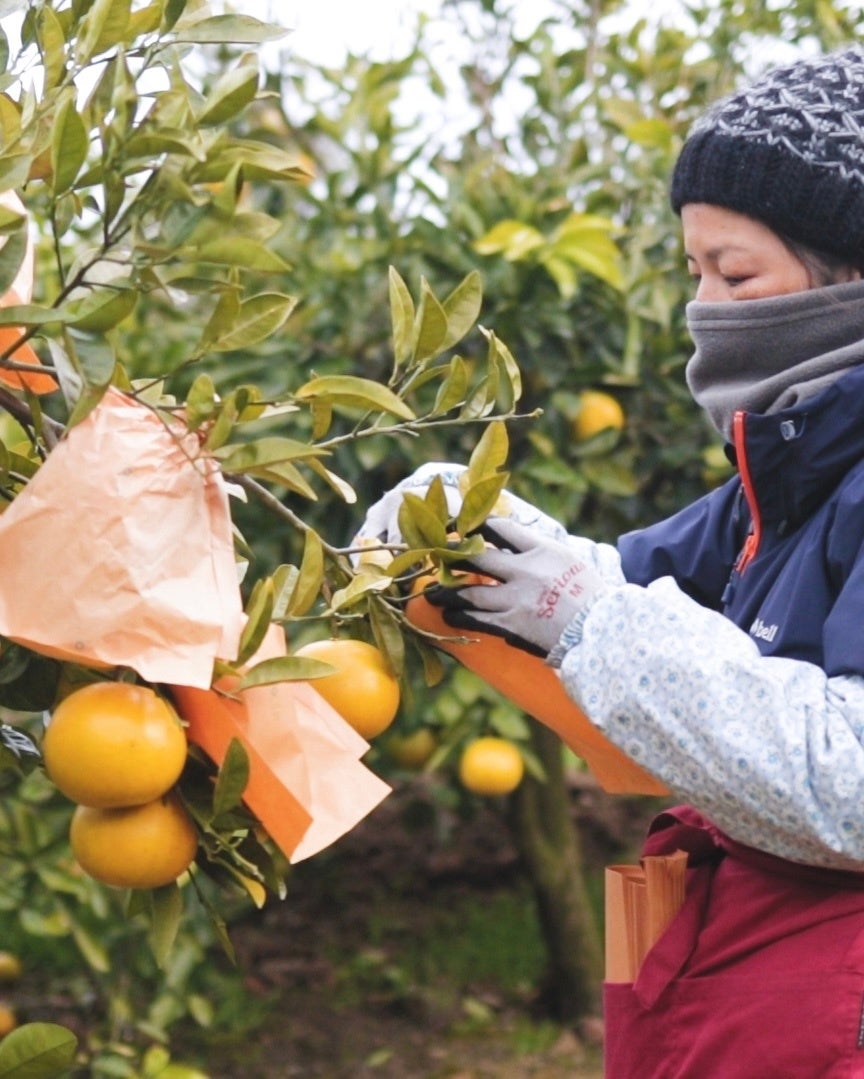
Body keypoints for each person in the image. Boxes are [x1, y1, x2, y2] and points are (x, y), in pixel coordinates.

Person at [357, 44, 864, 1077]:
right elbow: (619, 583)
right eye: (693, 273)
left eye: (736, 275)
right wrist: (473, 530)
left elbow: (850, 779)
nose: (704, 309)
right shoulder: (785, 476)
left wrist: (583, 611)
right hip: (728, 986)